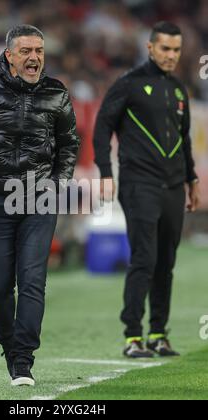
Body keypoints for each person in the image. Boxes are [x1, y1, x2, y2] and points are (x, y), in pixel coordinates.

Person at [0, 25, 80, 385]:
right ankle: (9, 347)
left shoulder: (57, 93)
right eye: (25, 51)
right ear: (9, 55)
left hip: (39, 200)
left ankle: (23, 359)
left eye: (38, 50)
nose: (34, 57)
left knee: (33, 280)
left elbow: (69, 143)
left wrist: (56, 186)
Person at [93, 22, 200, 358]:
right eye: (165, 48)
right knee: (144, 257)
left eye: (176, 50)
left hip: (172, 186)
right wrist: (106, 172)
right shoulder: (128, 84)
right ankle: (132, 336)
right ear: (150, 48)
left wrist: (191, 179)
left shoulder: (180, 90)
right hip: (139, 183)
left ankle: (158, 333)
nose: (171, 55)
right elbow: (101, 127)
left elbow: (182, 140)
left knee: (166, 261)